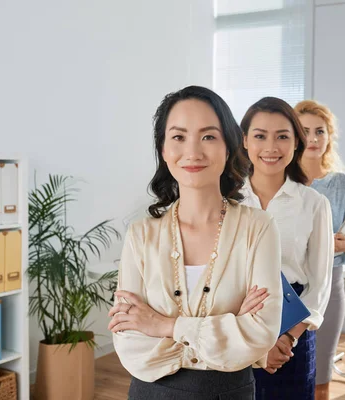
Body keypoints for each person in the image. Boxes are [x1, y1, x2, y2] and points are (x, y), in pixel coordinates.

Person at [107, 86, 283, 400]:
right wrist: (228, 328)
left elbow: (261, 333)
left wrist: (164, 325)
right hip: (151, 393)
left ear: (228, 147)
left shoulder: (258, 227)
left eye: (208, 136)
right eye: (178, 137)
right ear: (163, 149)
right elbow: (129, 342)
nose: (193, 152)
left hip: (229, 392)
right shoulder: (141, 234)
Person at [239, 96, 334, 400]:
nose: (271, 147)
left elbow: (320, 284)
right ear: (244, 141)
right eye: (260, 136)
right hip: (237, 326)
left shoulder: (314, 204)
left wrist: (286, 339)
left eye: (282, 136)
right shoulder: (226, 201)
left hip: (293, 333)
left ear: (296, 143)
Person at [295, 99, 345, 400]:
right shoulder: (280, 181)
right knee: (282, 372)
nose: (312, 139)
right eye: (304, 131)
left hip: (330, 286)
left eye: (320, 131)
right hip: (286, 286)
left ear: (329, 136)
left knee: (321, 373)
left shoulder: (342, 184)